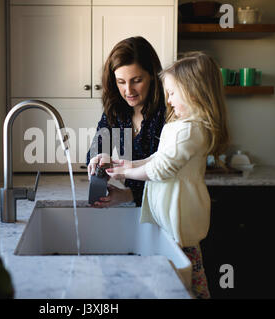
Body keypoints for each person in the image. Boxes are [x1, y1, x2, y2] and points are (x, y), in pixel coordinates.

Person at [105, 51, 230, 299]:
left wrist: (124, 171)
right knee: (177, 281)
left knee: (185, 284)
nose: (169, 101)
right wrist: (127, 164)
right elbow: (157, 159)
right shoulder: (180, 127)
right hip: (168, 222)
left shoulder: (191, 131)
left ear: (194, 92)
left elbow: (161, 170)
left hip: (179, 223)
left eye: (172, 93)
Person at [86, 36, 166, 208]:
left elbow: (168, 170)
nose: (128, 90)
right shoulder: (116, 109)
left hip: (164, 206)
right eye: (121, 82)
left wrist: (129, 195)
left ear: (152, 75)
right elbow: (95, 151)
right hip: (136, 207)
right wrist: (99, 160)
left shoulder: (168, 111)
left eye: (137, 81)